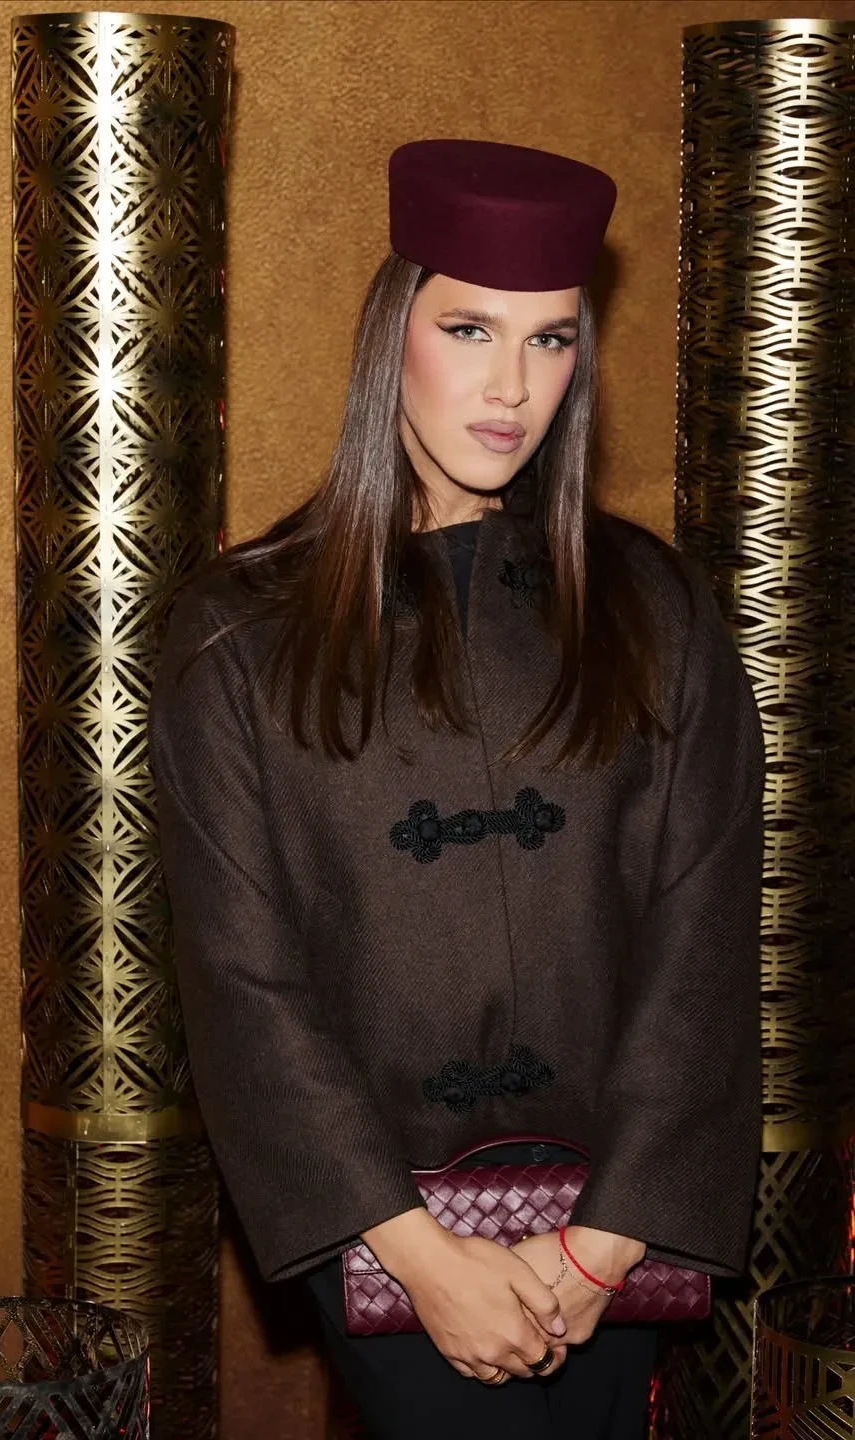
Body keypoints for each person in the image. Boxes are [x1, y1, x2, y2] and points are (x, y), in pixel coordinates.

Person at [149, 139, 764, 1439]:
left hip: (617, 1230)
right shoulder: (239, 636)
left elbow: (703, 944)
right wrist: (419, 1256)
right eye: (471, 329)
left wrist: (602, 1246)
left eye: (551, 340)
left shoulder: (658, 610)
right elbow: (241, 984)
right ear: (395, 334)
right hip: (382, 1232)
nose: (511, 386)